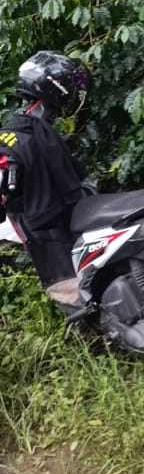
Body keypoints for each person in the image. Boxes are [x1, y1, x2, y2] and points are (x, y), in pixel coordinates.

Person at [0, 52, 92, 305]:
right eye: (72, 83)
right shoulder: (26, 134)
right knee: (74, 293)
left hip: (59, 222)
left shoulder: (30, 130)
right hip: (48, 228)